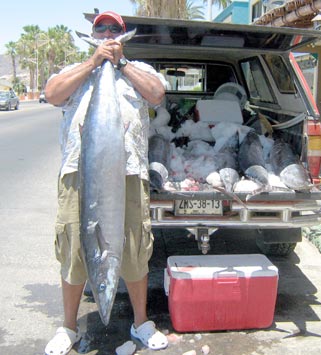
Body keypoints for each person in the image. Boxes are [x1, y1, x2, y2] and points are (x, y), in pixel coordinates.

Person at [44, 11, 168, 355]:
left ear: (124, 34)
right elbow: (53, 94)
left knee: (134, 248)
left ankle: (141, 322)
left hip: (127, 173)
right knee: (73, 249)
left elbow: (156, 94)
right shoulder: (75, 72)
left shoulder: (139, 71)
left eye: (115, 29)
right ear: (93, 33)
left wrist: (121, 61)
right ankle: (68, 327)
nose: (108, 33)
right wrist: (93, 62)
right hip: (77, 173)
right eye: (102, 29)